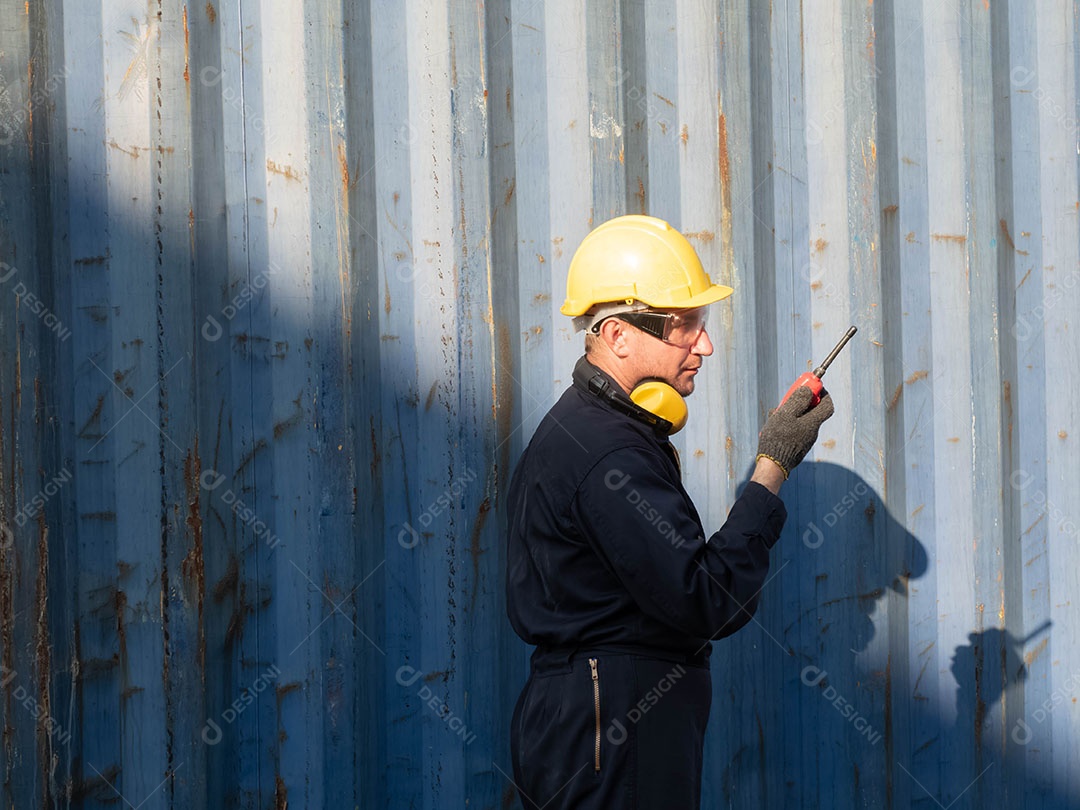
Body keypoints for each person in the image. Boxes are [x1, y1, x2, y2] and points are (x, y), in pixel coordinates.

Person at [505, 214, 835, 809]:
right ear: (617, 334)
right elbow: (707, 598)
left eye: (701, 324)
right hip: (613, 731)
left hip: (598, 720)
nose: (703, 344)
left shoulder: (593, 430)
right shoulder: (609, 453)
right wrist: (772, 467)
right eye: (685, 325)